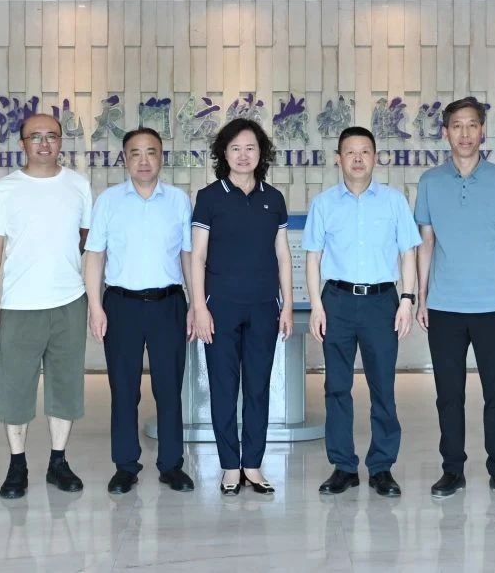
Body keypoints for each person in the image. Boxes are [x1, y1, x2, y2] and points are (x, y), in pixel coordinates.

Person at [415, 96, 495, 500]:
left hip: (493, 305)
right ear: (445, 133)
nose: (464, 133)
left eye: (472, 125)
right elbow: (425, 244)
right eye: (456, 126)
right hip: (444, 306)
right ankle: (452, 470)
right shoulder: (430, 182)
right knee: (449, 395)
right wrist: (421, 297)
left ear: (483, 131)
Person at [0, 113, 92, 498]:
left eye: (52, 136)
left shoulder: (78, 185)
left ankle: (58, 461)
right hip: (19, 304)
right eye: (35, 137)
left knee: (65, 385)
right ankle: (17, 464)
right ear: (22, 143)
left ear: (61, 141)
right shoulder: (5, 189)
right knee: (14, 387)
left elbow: (85, 239)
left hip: (69, 300)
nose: (44, 143)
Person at [304, 126, 421, 497]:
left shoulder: (394, 201)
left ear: (375, 157)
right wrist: (317, 305)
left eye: (365, 151)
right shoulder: (324, 204)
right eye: (350, 152)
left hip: (381, 302)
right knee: (337, 387)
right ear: (338, 158)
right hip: (337, 301)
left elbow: (409, 253)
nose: (358, 158)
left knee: (383, 387)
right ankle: (343, 466)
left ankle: (382, 467)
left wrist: (407, 300)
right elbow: (313, 257)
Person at [84, 127, 196, 495]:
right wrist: (95, 306)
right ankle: (125, 466)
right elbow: (95, 255)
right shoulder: (109, 201)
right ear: (125, 159)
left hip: (169, 305)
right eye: (135, 153)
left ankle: (172, 465)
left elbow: (188, 256)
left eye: (151, 152)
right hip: (121, 306)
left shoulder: (178, 201)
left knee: (169, 388)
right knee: (123, 389)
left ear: (162, 157)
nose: (144, 160)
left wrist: (195, 304)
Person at [190, 119, 294, 496]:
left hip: (264, 307)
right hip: (220, 308)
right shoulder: (209, 197)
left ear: (261, 153)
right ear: (224, 153)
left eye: (250, 147)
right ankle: (229, 467)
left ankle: (253, 463)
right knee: (223, 387)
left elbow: (283, 256)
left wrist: (287, 306)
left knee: (258, 388)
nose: (243, 155)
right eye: (235, 148)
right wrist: (199, 308)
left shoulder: (274, 198)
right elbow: (197, 256)